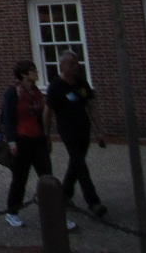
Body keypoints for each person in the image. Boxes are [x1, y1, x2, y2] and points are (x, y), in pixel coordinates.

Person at [2, 60, 74, 231]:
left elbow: (41, 118)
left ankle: (57, 216)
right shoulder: (13, 92)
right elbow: (7, 118)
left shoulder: (36, 92)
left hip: (38, 140)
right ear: (24, 74)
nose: (36, 73)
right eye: (33, 71)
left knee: (47, 179)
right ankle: (12, 212)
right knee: (20, 179)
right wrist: (11, 140)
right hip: (21, 141)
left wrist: (46, 137)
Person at [45, 50, 107, 217]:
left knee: (76, 162)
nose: (76, 66)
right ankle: (93, 202)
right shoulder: (55, 86)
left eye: (77, 63)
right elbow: (48, 112)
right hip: (67, 130)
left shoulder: (81, 83)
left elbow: (91, 106)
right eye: (72, 63)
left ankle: (64, 193)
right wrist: (46, 135)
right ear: (62, 65)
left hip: (83, 128)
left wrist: (100, 130)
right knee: (80, 164)